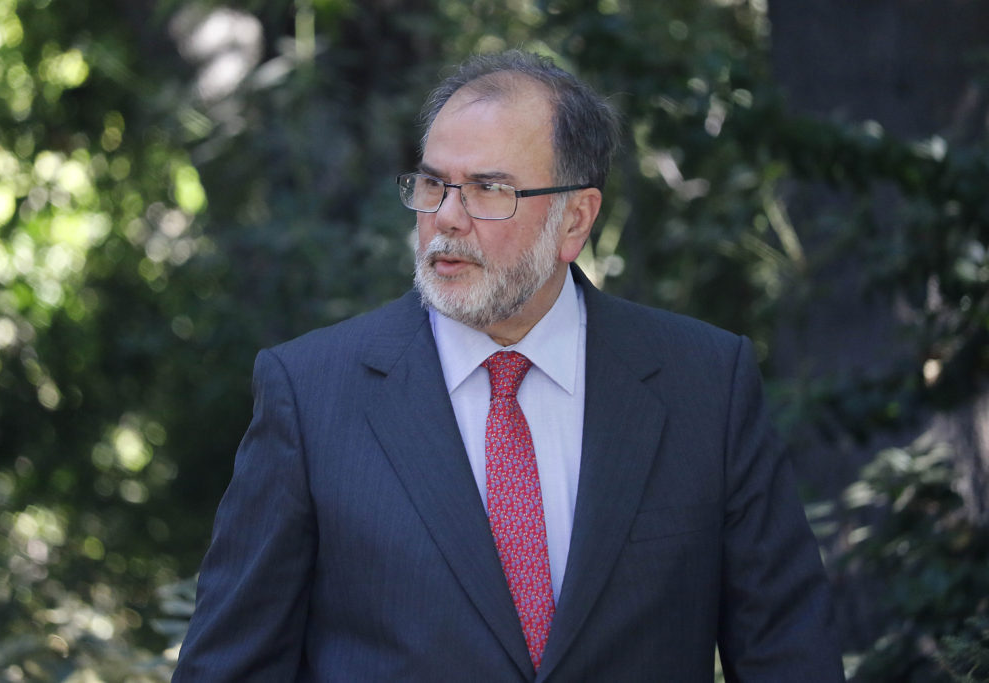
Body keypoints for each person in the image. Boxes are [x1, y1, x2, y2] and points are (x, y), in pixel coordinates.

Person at [172, 50, 845, 682]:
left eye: (488, 189)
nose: (446, 218)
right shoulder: (312, 393)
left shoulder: (705, 382)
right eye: (433, 184)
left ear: (575, 219)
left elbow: (789, 655)